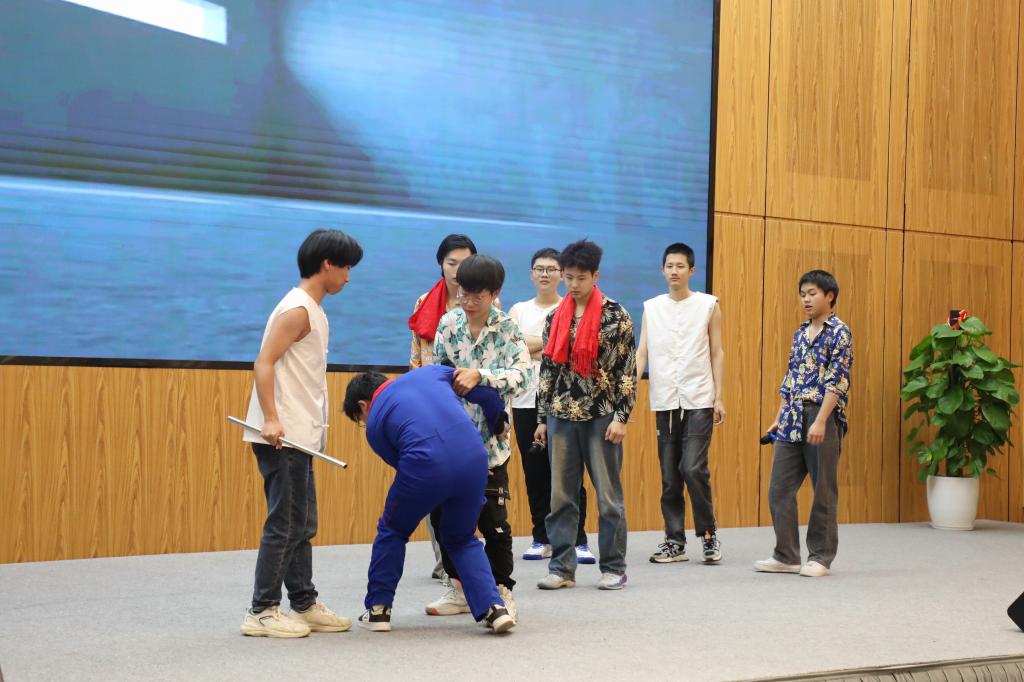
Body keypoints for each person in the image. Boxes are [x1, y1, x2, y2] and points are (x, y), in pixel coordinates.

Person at [239, 229, 362, 638]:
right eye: (345, 267)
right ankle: (262, 610)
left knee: (302, 523)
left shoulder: (313, 309)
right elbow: (263, 363)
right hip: (283, 435)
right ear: (327, 264)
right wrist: (271, 419)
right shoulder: (297, 309)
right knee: (285, 523)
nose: (348, 277)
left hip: (300, 436)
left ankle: (304, 603)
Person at [342, 366, 516, 633]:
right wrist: (498, 422)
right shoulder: (432, 373)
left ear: (363, 405)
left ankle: (378, 610)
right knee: (462, 538)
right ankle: (495, 608)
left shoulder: (374, 425)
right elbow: (486, 393)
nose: (365, 422)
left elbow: (403, 464)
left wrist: (437, 488)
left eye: (360, 418)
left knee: (393, 530)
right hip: (475, 459)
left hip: (424, 466)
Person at [426, 254, 532, 621]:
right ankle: (457, 588)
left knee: (494, 523)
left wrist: (481, 376)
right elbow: (436, 374)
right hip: (450, 442)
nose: (468, 303)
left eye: (477, 296)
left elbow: (523, 377)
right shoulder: (448, 323)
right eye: (463, 294)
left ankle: (502, 590)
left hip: (490, 445)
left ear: (495, 293)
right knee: (444, 520)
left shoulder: (507, 328)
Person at [534, 239, 636, 591]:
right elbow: (547, 371)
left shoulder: (616, 315)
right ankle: (562, 568)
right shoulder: (555, 317)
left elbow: (627, 371)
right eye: (569, 277)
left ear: (596, 276)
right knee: (561, 497)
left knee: (608, 498)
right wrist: (542, 419)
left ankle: (614, 567)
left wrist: (622, 417)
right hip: (561, 415)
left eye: (581, 278)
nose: (573, 284)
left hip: (602, 416)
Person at [755, 270, 852, 578]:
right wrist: (779, 417)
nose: (806, 300)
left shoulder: (840, 332)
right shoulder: (799, 333)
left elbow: (838, 381)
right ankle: (786, 555)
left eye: (812, 293)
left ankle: (821, 557)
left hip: (822, 416)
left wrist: (821, 420)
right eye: (802, 295)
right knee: (779, 489)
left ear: (829, 296)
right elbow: (791, 379)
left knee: (823, 489)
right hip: (792, 416)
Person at [635, 243, 725, 565]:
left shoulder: (708, 305)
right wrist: (628, 395)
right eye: (669, 266)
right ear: (663, 270)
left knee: (692, 467)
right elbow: (642, 353)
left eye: (680, 266)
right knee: (669, 475)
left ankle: (708, 534)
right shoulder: (652, 307)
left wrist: (719, 396)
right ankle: (674, 541)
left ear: (692, 270)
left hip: (699, 397)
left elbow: (717, 351)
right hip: (665, 400)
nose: (674, 271)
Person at [508, 248, 594, 564]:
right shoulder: (518, 310)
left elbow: (570, 347)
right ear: (531, 274)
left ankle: (578, 539)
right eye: (539, 268)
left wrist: (535, 344)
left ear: (561, 274)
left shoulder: (571, 306)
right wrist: (550, 342)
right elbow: (512, 347)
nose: (545, 274)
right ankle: (541, 538)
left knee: (569, 473)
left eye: (551, 269)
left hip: (563, 402)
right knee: (535, 474)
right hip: (524, 401)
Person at [408, 233, 477, 581]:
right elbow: (415, 358)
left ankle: (466, 559)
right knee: (433, 484)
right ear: (441, 264)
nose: (457, 270)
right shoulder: (424, 301)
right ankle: (443, 560)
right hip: (432, 406)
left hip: (472, 406)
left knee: (471, 489)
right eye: (451, 263)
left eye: (464, 263)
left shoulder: (484, 301)